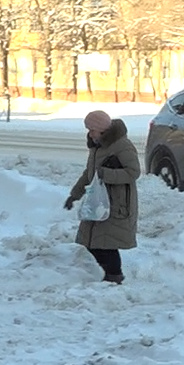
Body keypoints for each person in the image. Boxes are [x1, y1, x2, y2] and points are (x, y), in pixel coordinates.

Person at [64, 110, 140, 284]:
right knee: (93, 243)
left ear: (102, 130)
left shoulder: (122, 145)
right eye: (88, 130)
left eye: (92, 130)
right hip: (98, 200)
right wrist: (74, 195)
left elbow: (133, 172)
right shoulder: (97, 147)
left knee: (107, 244)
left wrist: (107, 173)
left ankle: (114, 276)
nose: (89, 133)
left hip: (116, 202)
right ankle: (106, 275)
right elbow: (89, 174)